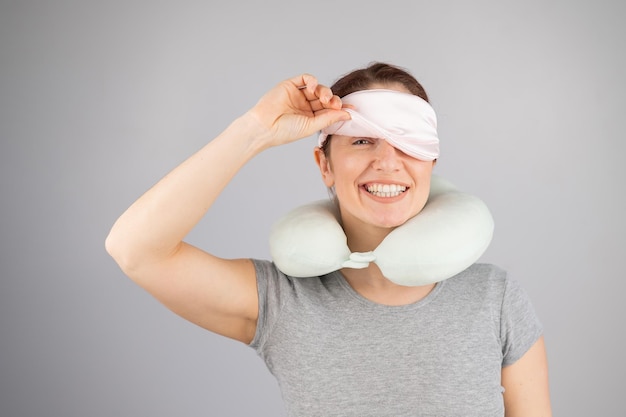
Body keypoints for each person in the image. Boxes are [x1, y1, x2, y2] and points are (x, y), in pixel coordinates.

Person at [105, 62, 552, 416]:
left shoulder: (494, 297)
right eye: (361, 141)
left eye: (407, 143)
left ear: (431, 162)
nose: (387, 162)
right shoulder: (282, 301)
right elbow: (135, 250)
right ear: (324, 166)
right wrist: (255, 130)